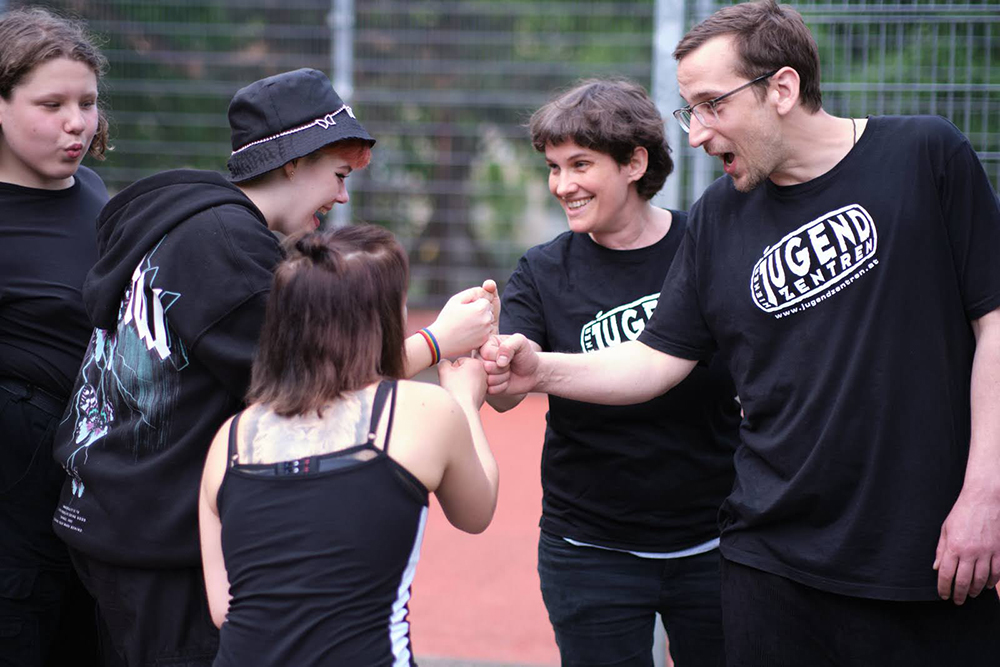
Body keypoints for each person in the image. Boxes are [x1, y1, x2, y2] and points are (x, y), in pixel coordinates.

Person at [482, 1, 1000, 665]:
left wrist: (985, 492)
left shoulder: (926, 157)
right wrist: (539, 370)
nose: (696, 134)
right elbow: (654, 361)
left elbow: (993, 319)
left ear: (781, 89)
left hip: (921, 550)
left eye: (710, 105)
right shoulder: (717, 218)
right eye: (688, 110)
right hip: (768, 557)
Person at [50, 68, 499, 666]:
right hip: (152, 539)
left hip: (108, 513)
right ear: (293, 161)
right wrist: (440, 342)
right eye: (337, 175)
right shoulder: (228, 246)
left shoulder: (194, 222)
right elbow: (316, 380)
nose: (341, 196)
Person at [488, 79, 736, 667]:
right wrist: (499, 361)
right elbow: (503, 396)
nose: (562, 186)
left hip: (716, 538)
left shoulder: (703, 246)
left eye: (580, 164)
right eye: (553, 168)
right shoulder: (543, 269)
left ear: (634, 162)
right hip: (589, 547)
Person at [198, 225, 499, 666]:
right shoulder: (425, 409)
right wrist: (466, 400)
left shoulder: (232, 439)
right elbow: (477, 511)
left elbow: (225, 608)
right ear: (384, 319)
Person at [0, 8, 110, 665]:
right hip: (15, 536)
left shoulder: (93, 191)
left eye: (88, 102)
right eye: (52, 103)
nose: (77, 122)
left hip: (94, 516)